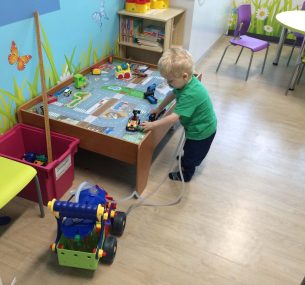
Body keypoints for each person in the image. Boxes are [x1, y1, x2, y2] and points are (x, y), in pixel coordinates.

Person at [141, 48, 217, 182]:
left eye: (170, 81)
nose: (168, 84)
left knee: (192, 155)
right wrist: (159, 108)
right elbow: (172, 94)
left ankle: (186, 174)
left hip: (202, 131)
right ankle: (187, 158)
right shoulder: (183, 83)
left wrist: (153, 125)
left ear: (185, 76)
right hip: (195, 127)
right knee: (188, 149)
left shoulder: (190, 94)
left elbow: (174, 117)